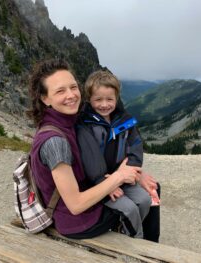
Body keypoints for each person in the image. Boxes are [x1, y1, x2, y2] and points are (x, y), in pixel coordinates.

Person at [26, 59, 141, 238]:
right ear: (45, 98)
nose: (71, 95)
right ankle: (139, 250)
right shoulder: (56, 142)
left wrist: (135, 171)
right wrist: (119, 176)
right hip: (79, 221)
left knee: (145, 192)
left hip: (85, 200)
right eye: (60, 91)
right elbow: (76, 204)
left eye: (73, 87)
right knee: (134, 208)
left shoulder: (66, 122)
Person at [77, 70, 160, 239]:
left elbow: (135, 146)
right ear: (89, 99)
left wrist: (133, 170)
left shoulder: (125, 120)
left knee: (144, 200)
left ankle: (127, 230)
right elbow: (89, 157)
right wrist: (103, 180)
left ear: (117, 98)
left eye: (110, 99)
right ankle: (136, 239)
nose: (104, 104)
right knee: (129, 209)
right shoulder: (85, 125)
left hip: (123, 177)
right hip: (99, 183)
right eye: (98, 99)